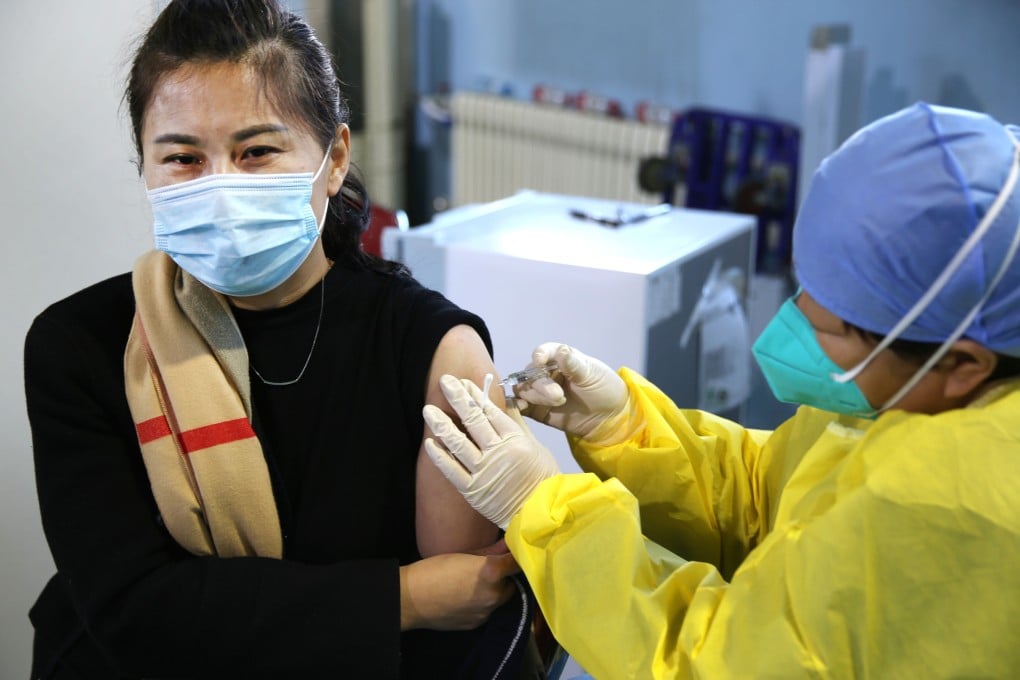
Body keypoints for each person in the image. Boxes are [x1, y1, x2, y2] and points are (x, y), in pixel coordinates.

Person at [23, 1, 538, 678]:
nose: (220, 189)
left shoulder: (430, 350)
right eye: (182, 157)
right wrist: (401, 596)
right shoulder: (84, 345)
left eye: (257, 151)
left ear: (334, 158)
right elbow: (133, 613)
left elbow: (466, 613)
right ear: (144, 167)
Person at [423, 102, 1020, 678]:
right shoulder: (922, 391)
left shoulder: (950, 507)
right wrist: (627, 429)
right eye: (805, 288)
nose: (795, 324)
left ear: (963, 361)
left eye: (833, 326)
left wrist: (546, 513)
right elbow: (776, 499)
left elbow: (711, 663)